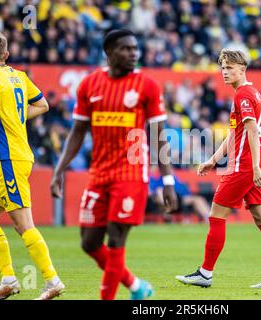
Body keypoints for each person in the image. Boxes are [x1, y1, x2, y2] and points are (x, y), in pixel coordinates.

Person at [50, 29, 178, 300]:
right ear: (109, 53)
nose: (134, 53)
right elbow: (77, 131)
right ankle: (135, 286)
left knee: (116, 239)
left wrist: (167, 181)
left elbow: (159, 136)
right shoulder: (89, 85)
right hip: (99, 172)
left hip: (131, 173)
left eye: (135, 48)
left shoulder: (147, 86)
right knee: (89, 243)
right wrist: (60, 168)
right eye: (126, 49)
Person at [0, 32, 65, 300]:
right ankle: (8, 278)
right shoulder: (19, 76)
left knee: (23, 225)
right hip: (6, 161)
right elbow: (42, 105)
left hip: (10, 159)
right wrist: (16, 117)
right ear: (6, 55)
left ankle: (52, 280)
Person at [176, 49, 261, 288]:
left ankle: (205, 273)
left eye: (229, 68)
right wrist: (213, 160)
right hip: (252, 164)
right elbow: (235, 134)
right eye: (223, 68)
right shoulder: (252, 92)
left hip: (243, 166)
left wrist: (254, 166)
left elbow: (252, 130)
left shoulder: (243, 95)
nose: (224, 72)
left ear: (242, 69)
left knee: (216, 215)